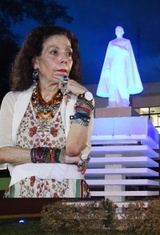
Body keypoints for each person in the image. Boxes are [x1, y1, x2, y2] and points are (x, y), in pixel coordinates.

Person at [0, 25, 94, 198]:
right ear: (35, 60)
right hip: (22, 195)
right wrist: (57, 155)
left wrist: (85, 100)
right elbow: (3, 153)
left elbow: (72, 150)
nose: (64, 59)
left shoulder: (81, 100)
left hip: (70, 195)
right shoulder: (13, 100)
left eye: (68, 53)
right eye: (54, 52)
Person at [96, 26, 143, 107]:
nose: (117, 31)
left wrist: (118, 49)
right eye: (116, 30)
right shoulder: (111, 42)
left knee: (122, 82)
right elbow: (108, 57)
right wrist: (107, 68)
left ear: (122, 31)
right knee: (113, 83)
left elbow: (128, 53)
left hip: (122, 65)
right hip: (113, 66)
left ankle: (124, 102)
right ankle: (112, 102)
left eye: (119, 30)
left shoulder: (126, 41)